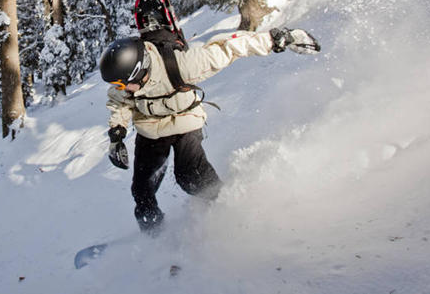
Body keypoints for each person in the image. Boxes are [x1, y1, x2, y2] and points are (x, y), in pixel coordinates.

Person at [99, 22, 320, 234]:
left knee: (189, 176)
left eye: (121, 83)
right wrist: (117, 133)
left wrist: (275, 39)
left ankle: (225, 210)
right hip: (150, 127)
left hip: (184, 120)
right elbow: (119, 101)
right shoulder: (129, 82)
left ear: (140, 70)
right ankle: (154, 237)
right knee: (142, 190)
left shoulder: (182, 65)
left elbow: (228, 47)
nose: (120, 88)